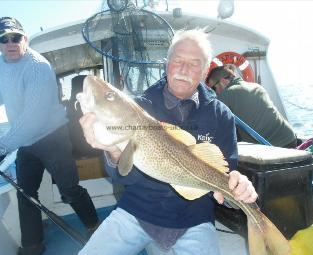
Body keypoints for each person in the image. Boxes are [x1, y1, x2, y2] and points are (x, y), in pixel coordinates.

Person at [78, 29, 258, 255]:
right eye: (178, 60)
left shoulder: (221, 115)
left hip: (195, 218)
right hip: (137, 211)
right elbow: (124, 176)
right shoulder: (140, 107)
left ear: (204, 72)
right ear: (167, 64)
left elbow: (225, 176)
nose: (184, 69)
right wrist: (114, 151)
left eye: (194, 64)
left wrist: (238, 184)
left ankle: (262, 229)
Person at [0, 17, 99, 255]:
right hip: (26, 143)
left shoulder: (38, 66)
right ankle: (32, 246)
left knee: (69, 189)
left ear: (24, 38)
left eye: (15, 37)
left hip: (52, 138)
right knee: (25, 194)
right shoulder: (0, 63)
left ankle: (94, 227)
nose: (10, 43)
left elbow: (33, 117)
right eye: (4, 39)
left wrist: (1, 147)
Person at [206, 64, 297, 148]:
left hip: (273, 148)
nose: (215, 93)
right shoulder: (256, 86)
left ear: (223, 81)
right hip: (290, 139)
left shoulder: (226, 94)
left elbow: (208, 121)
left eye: (213, 88)